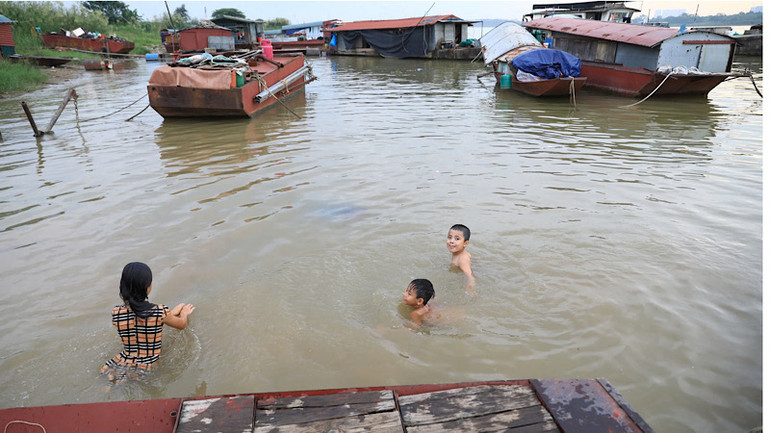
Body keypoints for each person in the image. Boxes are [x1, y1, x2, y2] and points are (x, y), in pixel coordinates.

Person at [101, 262, 195, 384]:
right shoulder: (160, 312)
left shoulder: (116, 312)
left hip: (119, 362)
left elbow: (139, 321)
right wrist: (184, 313)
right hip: (147, 366)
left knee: (110, 385)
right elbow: (181, 325)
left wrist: (171, 313)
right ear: (147, 287)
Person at [447, 224, 475, 294]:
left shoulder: (462, 260)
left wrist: (469, 290)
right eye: (449, 237)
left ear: (465, 243)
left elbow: (470, 276)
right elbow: (470, 256)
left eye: (457, 239)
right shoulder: (458, 253)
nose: (451, 241)